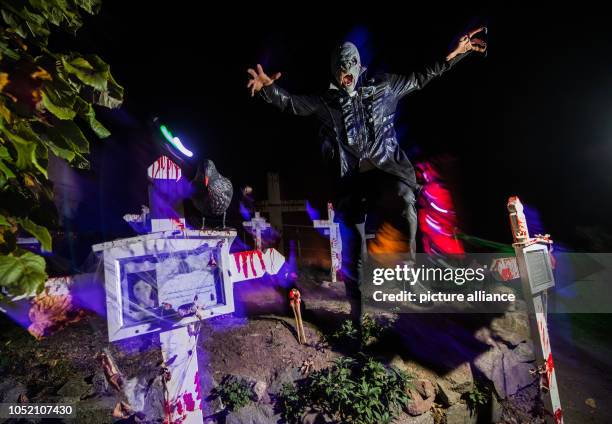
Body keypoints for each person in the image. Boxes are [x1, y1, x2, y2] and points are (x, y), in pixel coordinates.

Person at [247, 28, 486, 340]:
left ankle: (412, 271)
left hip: (386, 174)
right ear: (335, 73)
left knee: (404, 198)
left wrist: (454, 55)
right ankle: (358, 318)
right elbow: (293, 104)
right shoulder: (326, 103)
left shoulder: (384, 87)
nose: (346, 77)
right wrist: (268, 91)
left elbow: (421, 77)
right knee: (356, 250)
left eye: (350, 71)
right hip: (351, 185)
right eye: (341, 72)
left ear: (358, 68)